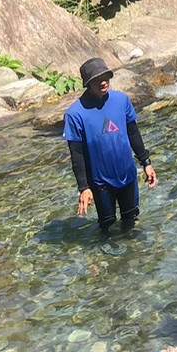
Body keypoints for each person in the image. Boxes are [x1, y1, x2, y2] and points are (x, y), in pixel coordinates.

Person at [63, 57, 156, 234]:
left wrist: (146, 162)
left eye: (105, 77)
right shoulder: (75, 114)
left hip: (127, 175)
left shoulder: (121, 100)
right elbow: (77, 155)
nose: (103, 82)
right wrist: (84, 188)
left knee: (131, 220)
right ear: (87, 84)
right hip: (101, 183)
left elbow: (133, 133)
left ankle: (131, 251)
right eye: (97, 79)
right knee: (106, 226)